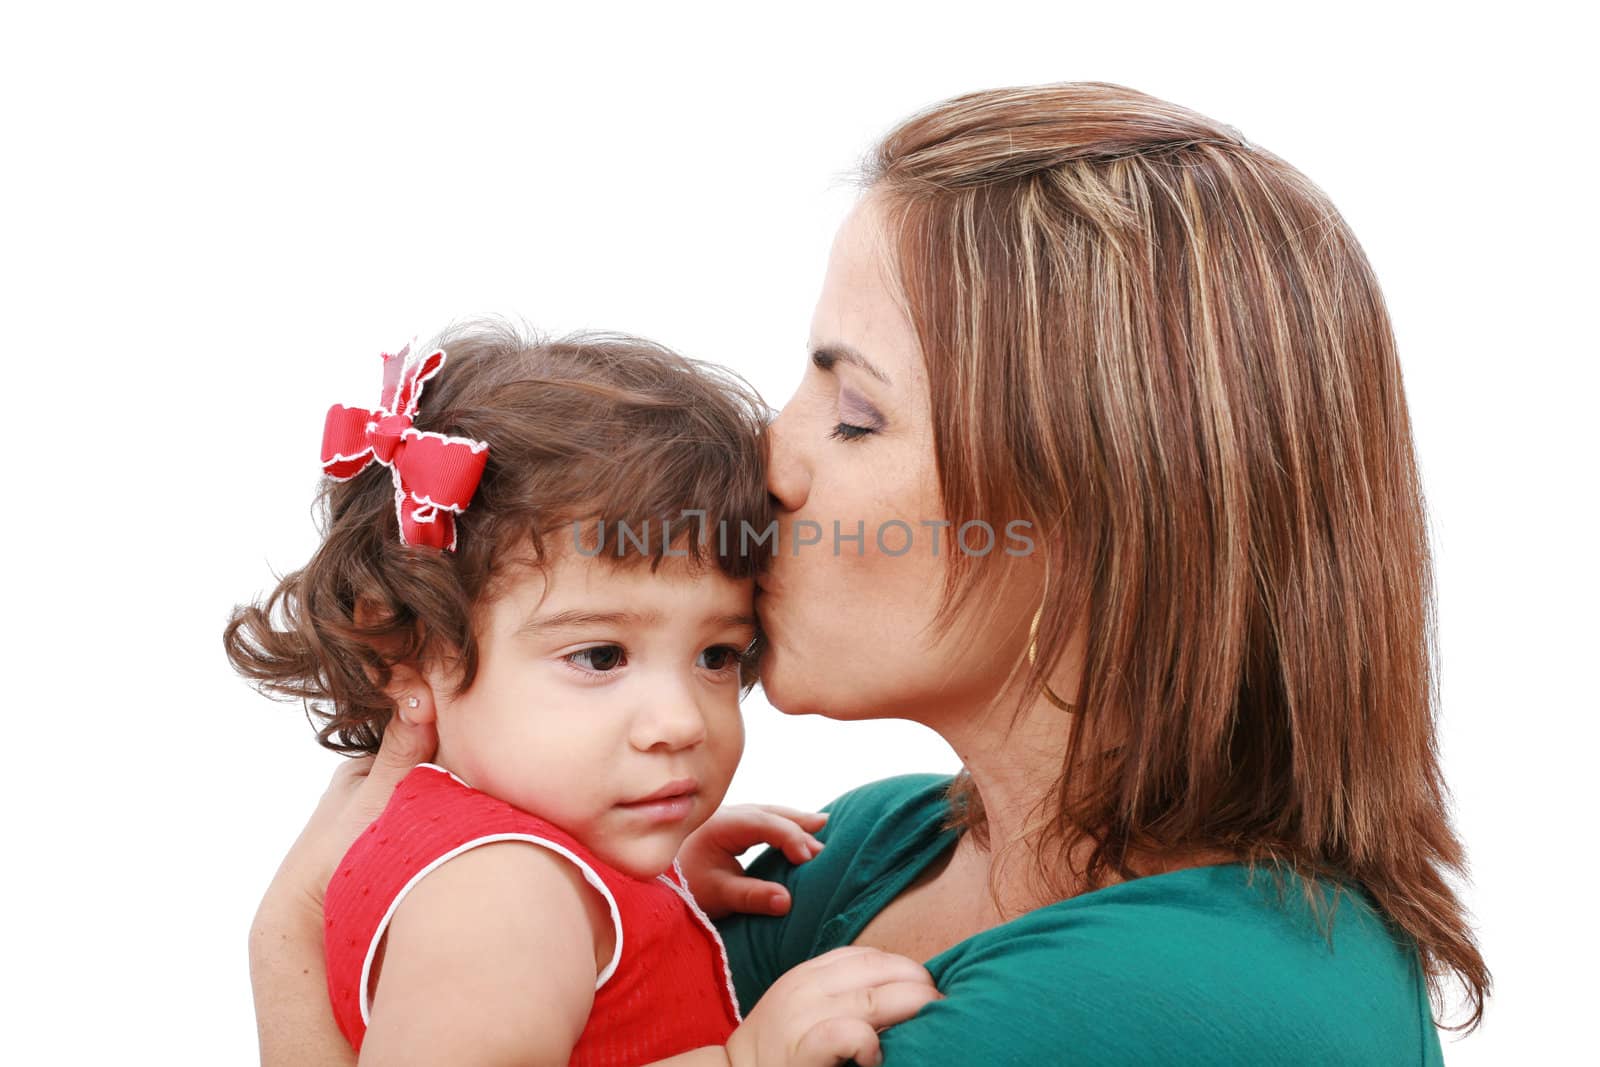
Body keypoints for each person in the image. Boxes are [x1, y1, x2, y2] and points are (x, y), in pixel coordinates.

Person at [248, 82, 1489, 1065]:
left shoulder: (1183, 1006)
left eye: (852, 411)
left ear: (1102, 514)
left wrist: (295, 956)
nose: (766, 458)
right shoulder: (867, 848)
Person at [227, 328, 940, 1065]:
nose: (680, 721)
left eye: (716, 655)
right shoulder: (503, 894)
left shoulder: (510, 870)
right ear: (406, 652)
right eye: (601, 655)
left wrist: (655, 898)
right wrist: (744, 1059)